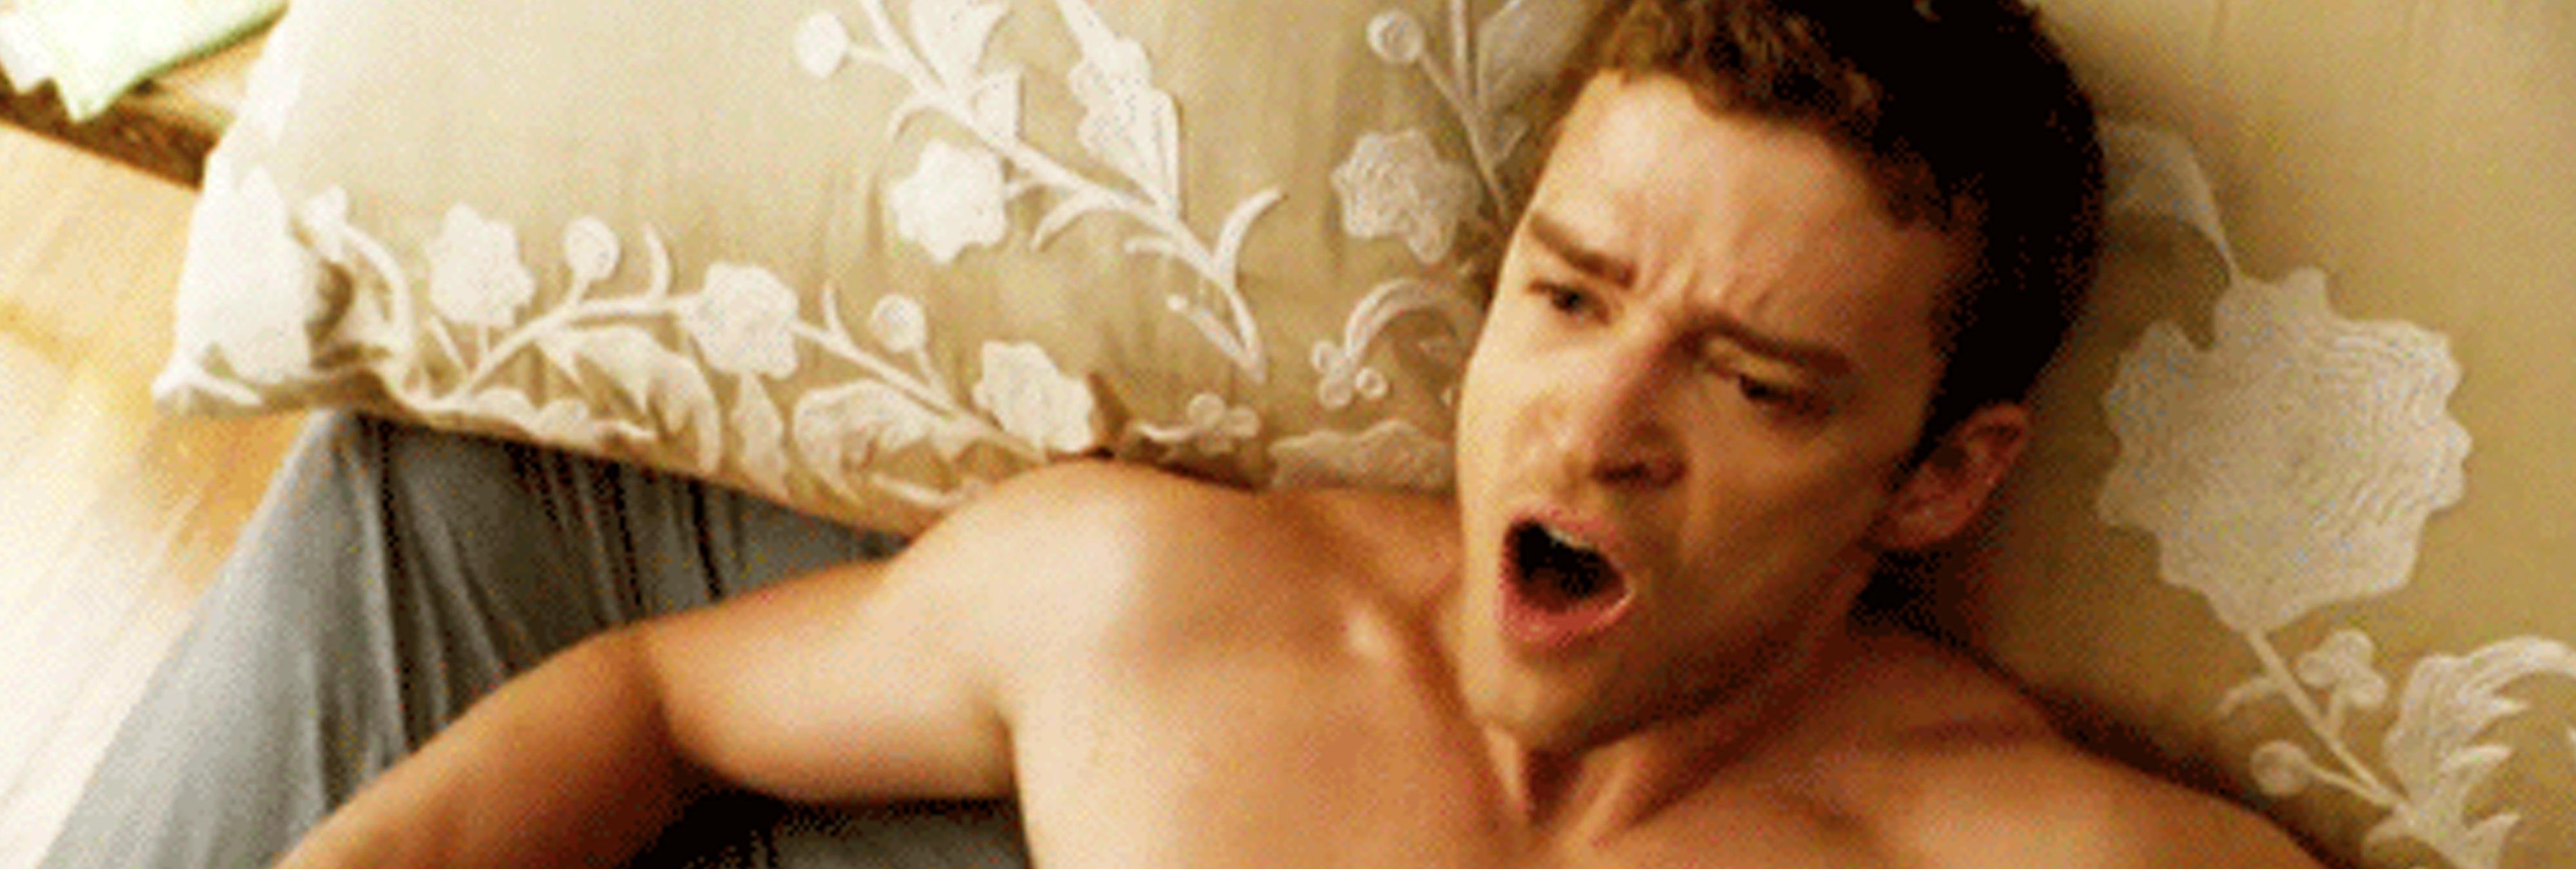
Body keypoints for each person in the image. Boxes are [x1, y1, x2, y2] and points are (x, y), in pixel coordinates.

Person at [94, 0, 2325, 866]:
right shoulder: (1157, 604)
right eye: (1566, 298)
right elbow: (658, 696)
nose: (1599, 423)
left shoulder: (2033, 854)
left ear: (1938, 477)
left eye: (1751, 384)